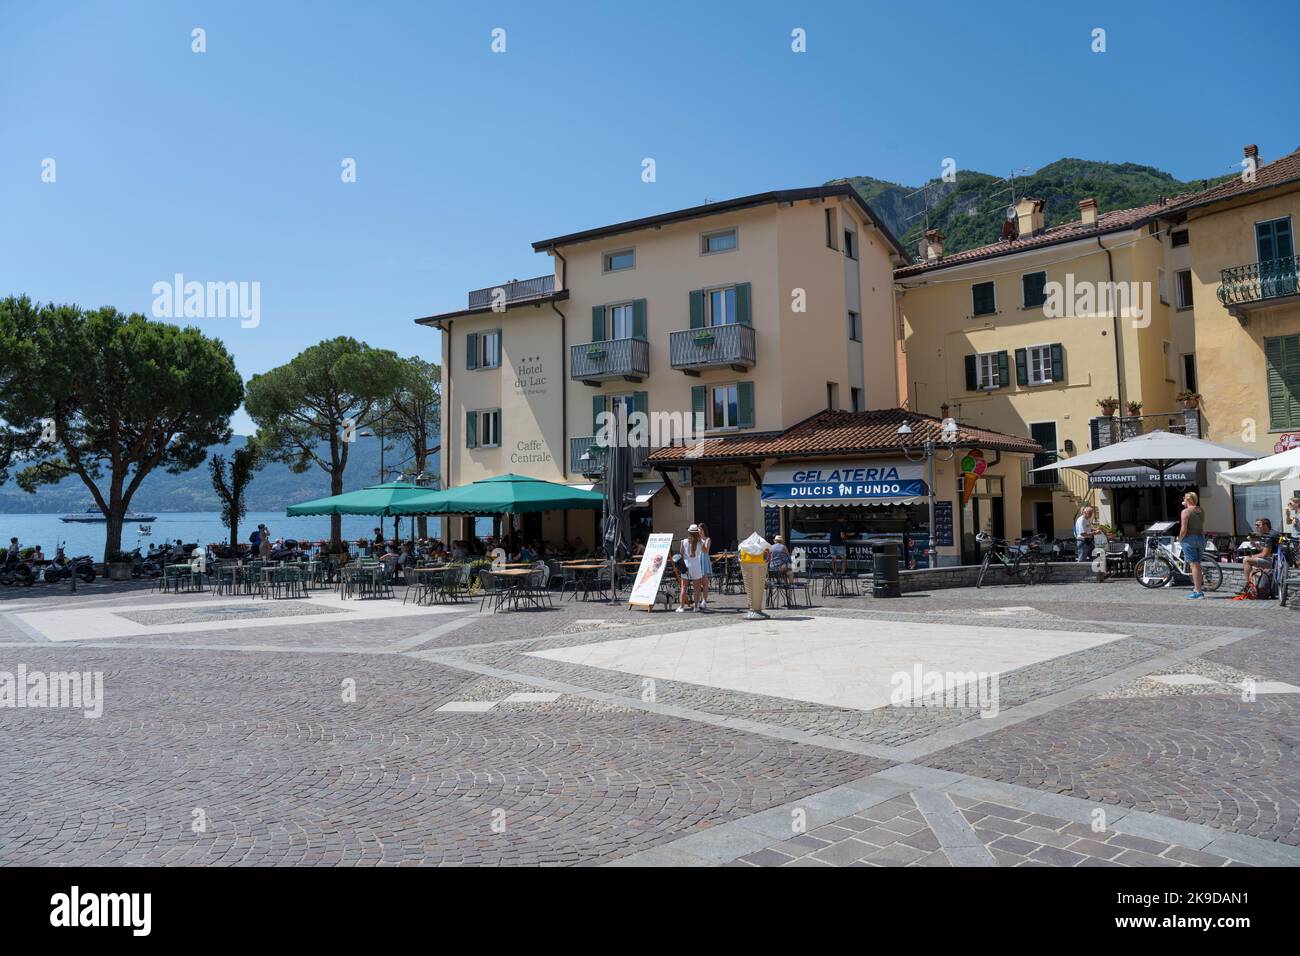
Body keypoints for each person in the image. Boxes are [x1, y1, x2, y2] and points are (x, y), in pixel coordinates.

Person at [1178, 492, 1207, 599]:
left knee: (1194, 565)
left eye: (1185, 499)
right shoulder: (1200, 510)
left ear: (1188, 500)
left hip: (1190, 538)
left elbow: (1183, 529)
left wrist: (1180, 538)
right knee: (1197, 565)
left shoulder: (1185, 511)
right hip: (1200, 538)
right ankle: (1197, 588)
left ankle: (1198, 591)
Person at [1241, 517, 1280, 595]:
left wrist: (1251, 557)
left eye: (1258, 525)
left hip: (1274, 562)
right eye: (1255, 525)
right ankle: (1253, 587)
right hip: (1273, 559)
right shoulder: (1268, 534)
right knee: (1251, 564)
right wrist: (1254, 544)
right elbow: (1265, 549)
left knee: (1246, 560)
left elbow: (1265, 554)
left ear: (1265, 525)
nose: (1256, 527)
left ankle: (1248, 585)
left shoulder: (1270, 536)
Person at [676, 524, 707, 612]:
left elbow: (681, 553)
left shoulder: (683, 541)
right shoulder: (700, 542)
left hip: (686, 564)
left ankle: (681, 607)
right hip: (696, 565)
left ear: (689, 532)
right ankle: (696, 607)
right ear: (697, 532)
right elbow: (705, 551)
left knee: (684, 587)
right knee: (696, 587)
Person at [697, 522, 713, 610]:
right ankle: (698, 601)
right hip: (698, 561)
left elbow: (706, 551)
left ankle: (704, 601)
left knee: (705, 583)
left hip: (704, 560)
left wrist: (700, 541)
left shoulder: (707, 539)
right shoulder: (697, 540)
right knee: (697, 583)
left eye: (701, 529)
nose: (699, 531)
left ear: (703, 530)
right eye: (698, 529)